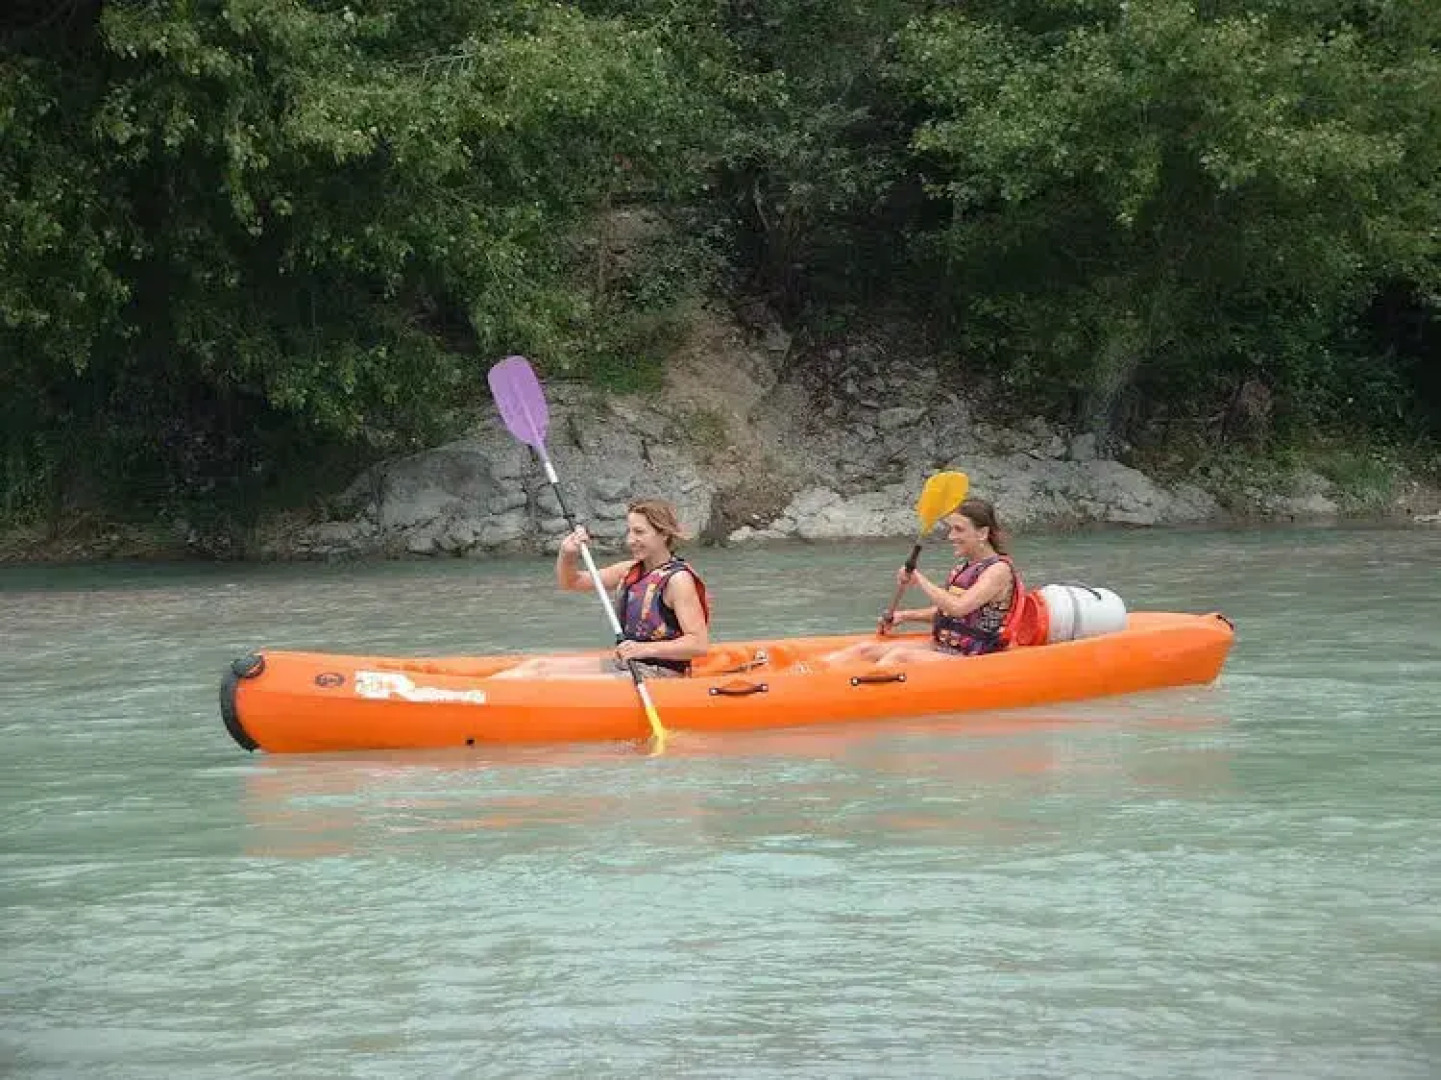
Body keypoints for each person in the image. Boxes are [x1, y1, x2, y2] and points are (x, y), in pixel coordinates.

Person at [495, 498, 710, 679]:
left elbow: (698, 644)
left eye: (639, 532)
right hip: (628, 665)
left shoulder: (678, 580)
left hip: (659, 674)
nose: (631, 540)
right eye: (630, 531)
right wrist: (567, 553)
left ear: (663, 534)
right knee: (537, 667)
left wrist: (642, 649)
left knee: (553, 681)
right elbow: (571, 582)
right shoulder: (628, 571)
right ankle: (475, 697)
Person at [824, 498, 1019, 667]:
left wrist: (919, 579)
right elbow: (948, 613)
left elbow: (959, 608)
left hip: (975, 656)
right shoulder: (966, 567)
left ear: (982, 533)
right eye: (951, 529)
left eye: (959, 529)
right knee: (864, 650)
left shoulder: (998, 570)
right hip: (947, 647)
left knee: (899, 657)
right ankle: (811, 674)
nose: (951, 536)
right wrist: (905, 616)